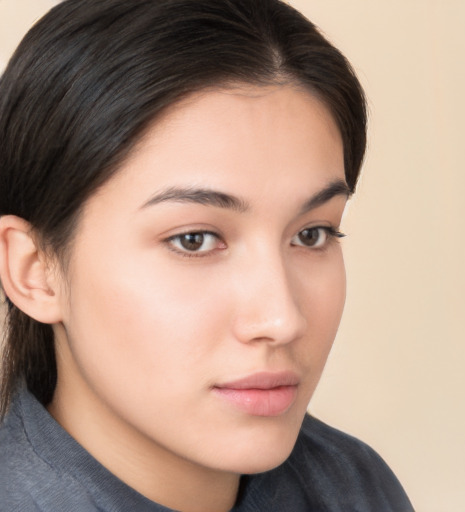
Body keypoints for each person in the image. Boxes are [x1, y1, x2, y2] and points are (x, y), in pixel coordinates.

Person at [0, 0, 414, 510]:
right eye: (193, 239)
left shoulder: (353, 486)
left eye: (312, 234)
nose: (282, 320)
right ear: (34, 272)